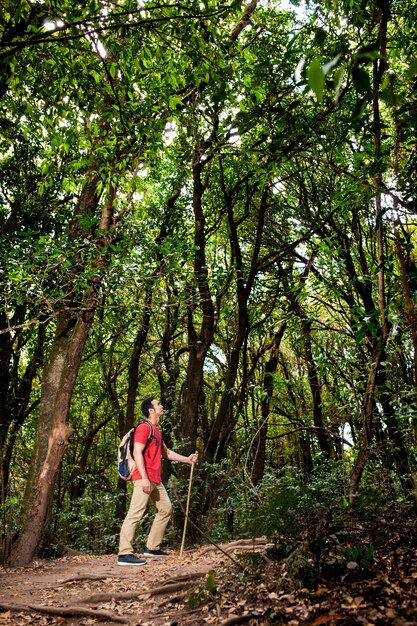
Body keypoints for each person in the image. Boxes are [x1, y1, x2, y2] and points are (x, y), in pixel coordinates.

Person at [117, 397, 197, 566]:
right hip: (143, 478)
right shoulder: (144, 428)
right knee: (135, 513)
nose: (161, 406)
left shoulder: (156, 430)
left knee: (166, 508)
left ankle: (152, 548)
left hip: (155, 479)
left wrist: (187, 459)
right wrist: (144, 478)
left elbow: (166, 453)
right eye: (158, 404)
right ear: (151, 410)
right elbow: (137, 452)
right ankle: (124, 554)